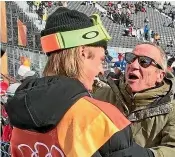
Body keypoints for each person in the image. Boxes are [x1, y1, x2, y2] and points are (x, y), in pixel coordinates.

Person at [5, 8, 154, 157]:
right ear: (83, 53)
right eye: (101, 60)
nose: (102, 70)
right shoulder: (100, 118)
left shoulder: (19, 115)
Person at [94, 43, 175, 157]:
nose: (133, 65)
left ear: (160, 75)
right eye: (131, 58)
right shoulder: (101, 95)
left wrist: (149, 155)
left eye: (144, 61)